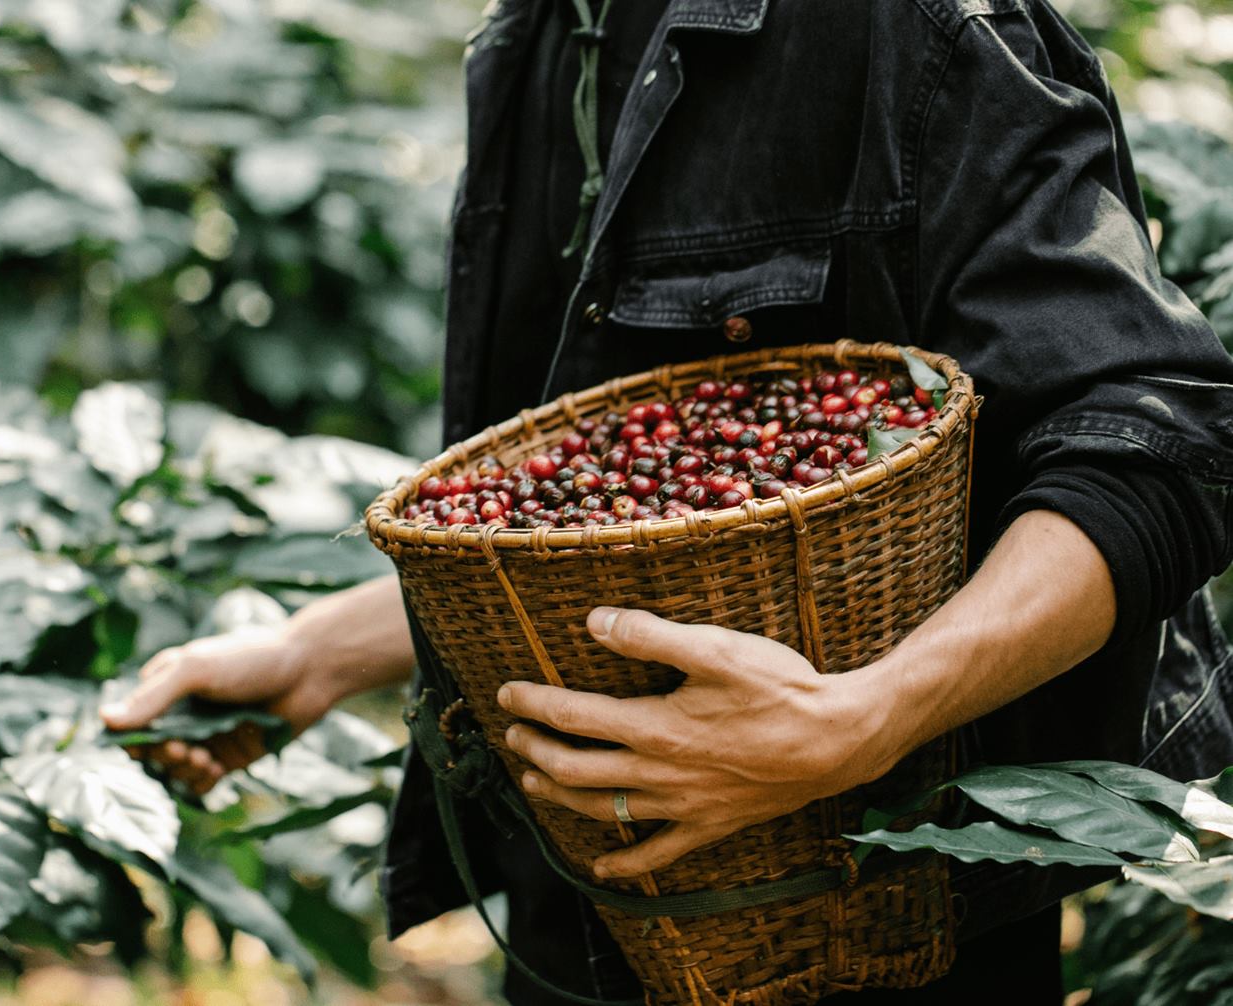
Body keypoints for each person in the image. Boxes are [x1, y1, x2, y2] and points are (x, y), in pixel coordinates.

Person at [101, 0, 1233, 1001]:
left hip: (871, 914)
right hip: (592, 909)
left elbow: (1154, 443)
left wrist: (864, 716)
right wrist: (310, 657)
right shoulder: (543, 36)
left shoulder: (904, 24)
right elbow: (590, 526)